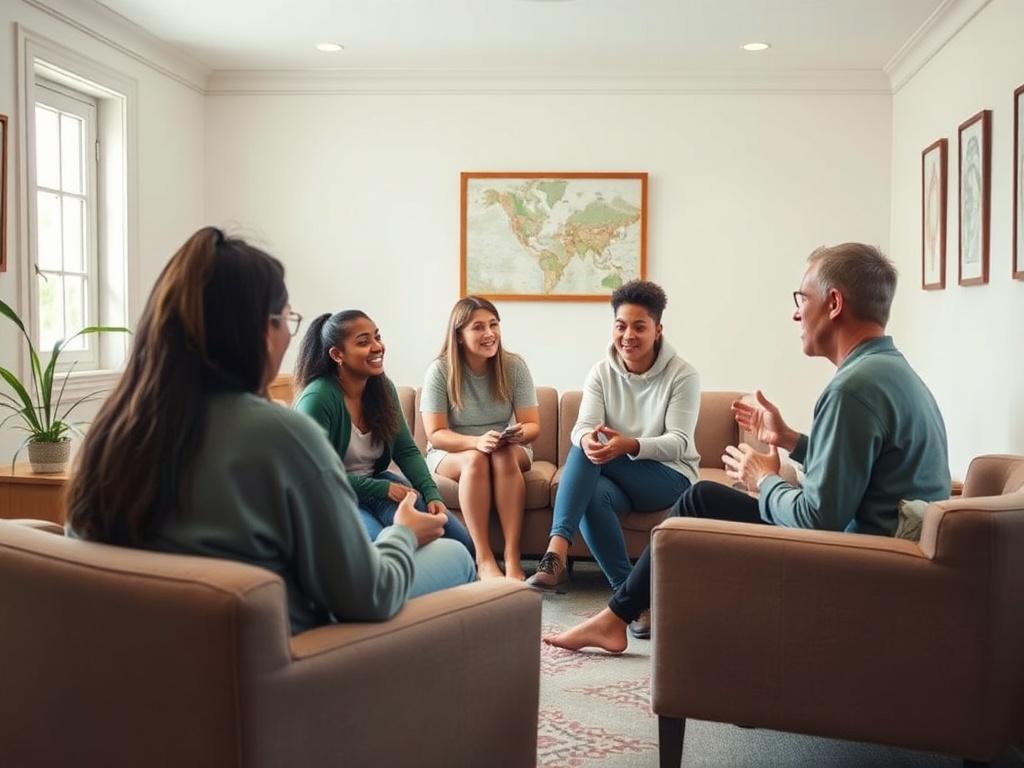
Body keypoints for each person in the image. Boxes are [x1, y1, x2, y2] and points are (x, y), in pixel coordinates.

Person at [65, 227, 475, 634]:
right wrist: (402, 535)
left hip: (149, 656)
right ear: (260, 331)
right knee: (454, 554)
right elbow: (367, 594)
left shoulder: (110, 432)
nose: (287, 336)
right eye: (286, 319)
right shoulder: (284, 433)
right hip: (281, 652)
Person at [545, 242, 950, 653]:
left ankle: (615, 616)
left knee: (699, 497)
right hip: (878, 550)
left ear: (833, 303)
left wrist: (766, 479)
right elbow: (862, 469)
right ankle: (618, 614)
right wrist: (791, 440)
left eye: (801, 299)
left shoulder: (851, 389)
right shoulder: (892, 372)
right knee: (699, 497)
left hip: (854, 562)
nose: (796, 313)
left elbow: (818, 519)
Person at [525, 280, 700, 596]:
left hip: (670, 477)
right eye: (620, 326)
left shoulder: (683, 375)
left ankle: (555, 553)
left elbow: (679, 442)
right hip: (620, 480)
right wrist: (589, 440)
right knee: (588, 468)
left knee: (583, 453)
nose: (628, 336)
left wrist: (630, 445)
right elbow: (582, 428)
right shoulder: (601, 373)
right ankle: (629, 595)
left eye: (639, 327)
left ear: (657, 330)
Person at [292, 310, 474, 558]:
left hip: (378, 485)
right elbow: (312, 476)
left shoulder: (382, 388)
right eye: (363, 342)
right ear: (337, 355)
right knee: (378, 550)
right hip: (335, 495)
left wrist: (431, 494)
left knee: (462, 544)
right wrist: (382, 489)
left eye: (377, 337)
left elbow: (406, 450)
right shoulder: (318, 399)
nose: (377, 347)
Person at [421, 296, 540, 581]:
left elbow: (533, 425)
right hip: (453, 449)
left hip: (504, 447)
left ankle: (512, 557)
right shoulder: (440, 371)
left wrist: (514, 434)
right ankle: (484, 559)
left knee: (502, 454)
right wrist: (476, 442)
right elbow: (435, 434)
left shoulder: (514, 366)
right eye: (478, 327)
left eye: (493, 325)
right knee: (476, 460)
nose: (489, 334)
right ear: (459, 335)